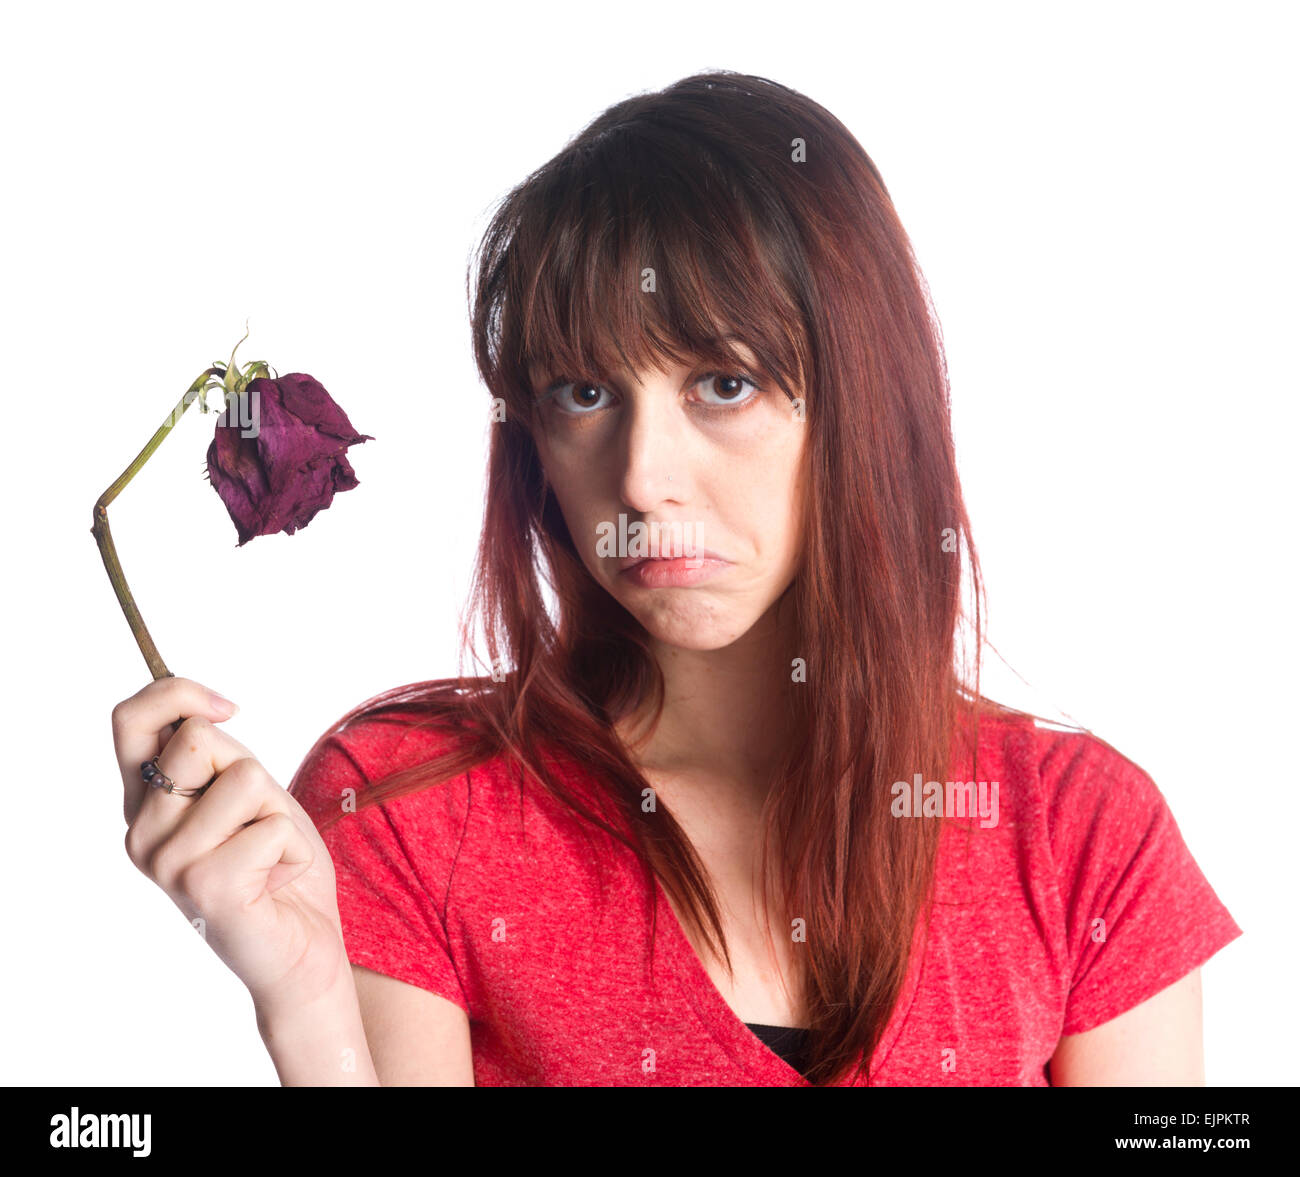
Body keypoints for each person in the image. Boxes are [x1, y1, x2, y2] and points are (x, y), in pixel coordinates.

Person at [110, 70, 1241, 1086]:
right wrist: (310, 1013)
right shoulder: (412, 808)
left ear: (862, 399)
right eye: (584, 394)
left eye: (724, 384)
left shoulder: (1080, 837)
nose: (643, 479)